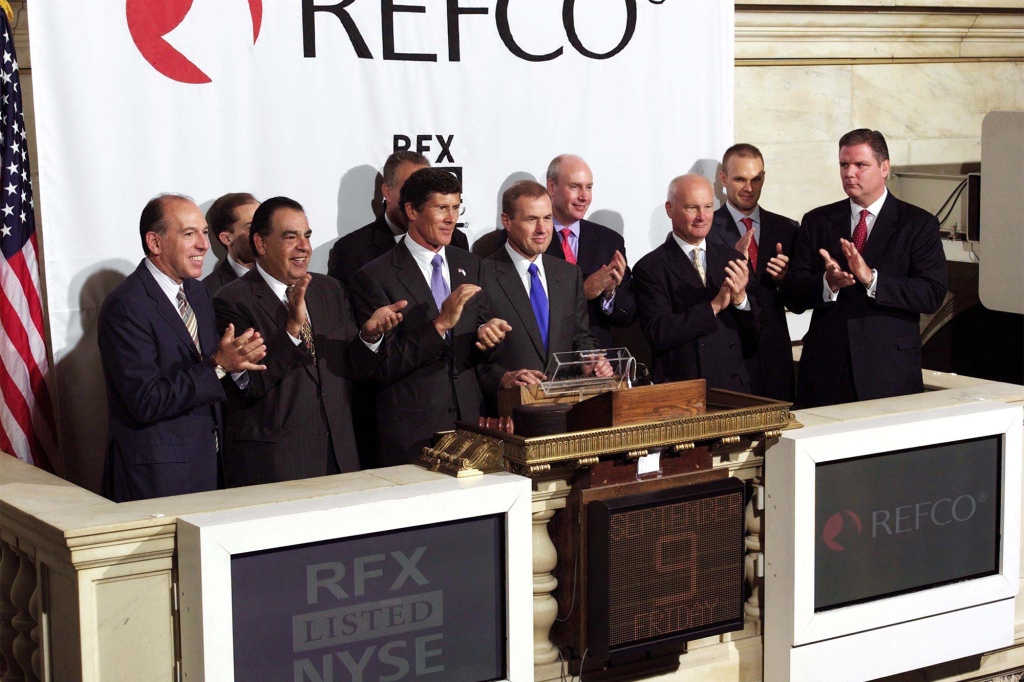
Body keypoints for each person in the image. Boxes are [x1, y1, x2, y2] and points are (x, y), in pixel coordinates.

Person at [213, 197, 405, 486]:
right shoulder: (231, 301)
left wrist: (369, 337)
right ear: (261, 244)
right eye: (290, 237)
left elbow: (352, 368)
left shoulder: (329, 289)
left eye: (307, 236)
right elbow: (247, 388)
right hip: (276, 465)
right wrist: (291, 330)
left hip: (339, 457)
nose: (303, 246)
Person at [98, 194, 267, 502]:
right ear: (154, 242)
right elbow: (145, 400)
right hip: (157, 480)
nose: (204, 244)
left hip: (210, 467)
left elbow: (210, 378)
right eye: (189, 234)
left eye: (204, 232)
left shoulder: (197, 293)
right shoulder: (126, 306)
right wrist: (218, 366)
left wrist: (238, 366)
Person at [351, 168, 510, 466]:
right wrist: (438, 326)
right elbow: (379, 367)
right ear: (411, 210)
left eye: (455, 207)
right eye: (441, 208)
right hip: (411, 437)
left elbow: (480, 351)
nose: (451, 218)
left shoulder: (470, 264)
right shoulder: (374, 277)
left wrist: (490, 339)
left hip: (469, 430)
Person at [785, 129, 948, 408]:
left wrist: (872, 279)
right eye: (844, 164)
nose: (850, 173)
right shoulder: (817, 221)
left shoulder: (918, 224)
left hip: (887, 374)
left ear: (884, 168)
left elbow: (932, 294)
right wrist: (828, 284)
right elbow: (793, 294)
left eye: (860, 165)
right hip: (826, 372)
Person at [478, 180, 603, 404]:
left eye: (547, 218)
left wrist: (589, 360)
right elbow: (470, 354)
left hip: (567, 407)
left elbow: (580, 336)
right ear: (506, 220)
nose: (542, 229)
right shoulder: (482, 275)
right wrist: (503, 378)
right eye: (531, 219)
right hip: (510, 412)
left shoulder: (568, 274)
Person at [632, 174, 760, 391]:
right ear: (670, 209)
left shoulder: (733, 259)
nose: (702, 216)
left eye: (708, 207)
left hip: (733, 389)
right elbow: (658, 332)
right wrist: (714, 306)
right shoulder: (650, 268)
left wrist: (741, 301)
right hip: (682, 391)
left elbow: (756, 335)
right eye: (692, 208)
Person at [709, 144, 798, 401]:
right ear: (723, 179)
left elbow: (798, 301)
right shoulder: (705, 229)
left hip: (776, 361)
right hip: (728, 360)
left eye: (755, 179)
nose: (749, 188)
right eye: (739, 179)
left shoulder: (787, 229)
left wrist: (785, 279)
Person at [327, 151, 470, 289]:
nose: (418, 197)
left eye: (426, 189)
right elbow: (343, 310)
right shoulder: (352, 251)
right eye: (410, 188)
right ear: (388, 192)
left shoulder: (457, 240)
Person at [545, 154, 636, 349]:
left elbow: (627, 316)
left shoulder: (610, 241)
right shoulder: (532, 238)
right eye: (574, 187)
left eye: (589, 187)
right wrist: (582, 292)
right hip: (547, 357)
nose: (584, 196)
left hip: (599, 361)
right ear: (551, 187)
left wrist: (610, 292)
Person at [202, 193, 259, 294]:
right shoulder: (209, 292)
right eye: (251, 227)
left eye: (264, 224)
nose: (263, 232)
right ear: (227, 238)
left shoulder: (286, 274)